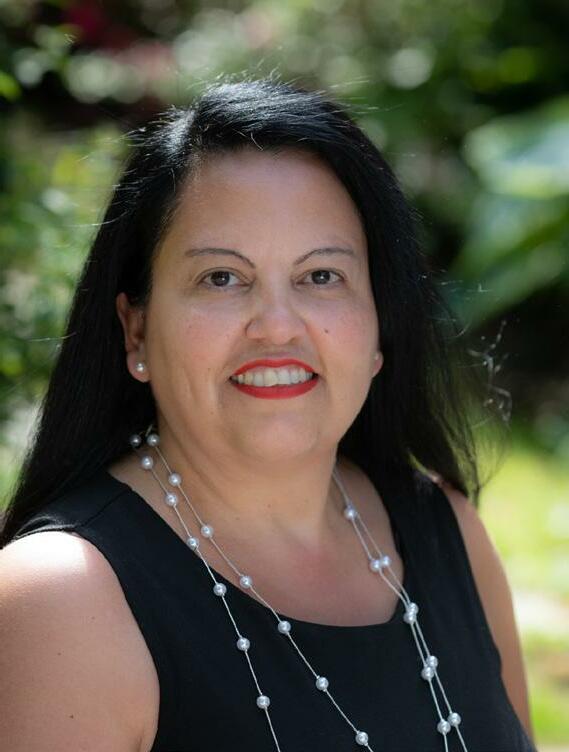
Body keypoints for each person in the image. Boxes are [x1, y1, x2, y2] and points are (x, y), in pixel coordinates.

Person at [0, 77, 536, 752]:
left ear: (379, 327)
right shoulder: (62, 598)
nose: (277, 327)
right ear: (135, 331)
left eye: (321, 276)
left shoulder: (445, 528)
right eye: (221, 278)